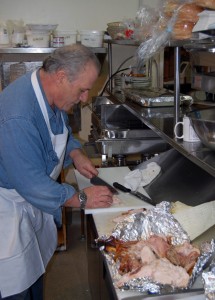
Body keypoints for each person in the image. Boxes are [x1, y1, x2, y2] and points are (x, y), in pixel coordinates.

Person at [0, 44, 113, 299]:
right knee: (16, 286)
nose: (85, 97)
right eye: (83, 90)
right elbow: (33, 185)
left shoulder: (49, 93)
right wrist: (82, 198)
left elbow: (60, 129)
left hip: (32, 205)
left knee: (35, 271)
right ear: (61, 76)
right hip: (7, 211)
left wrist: (75, 154)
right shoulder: (17, 114)